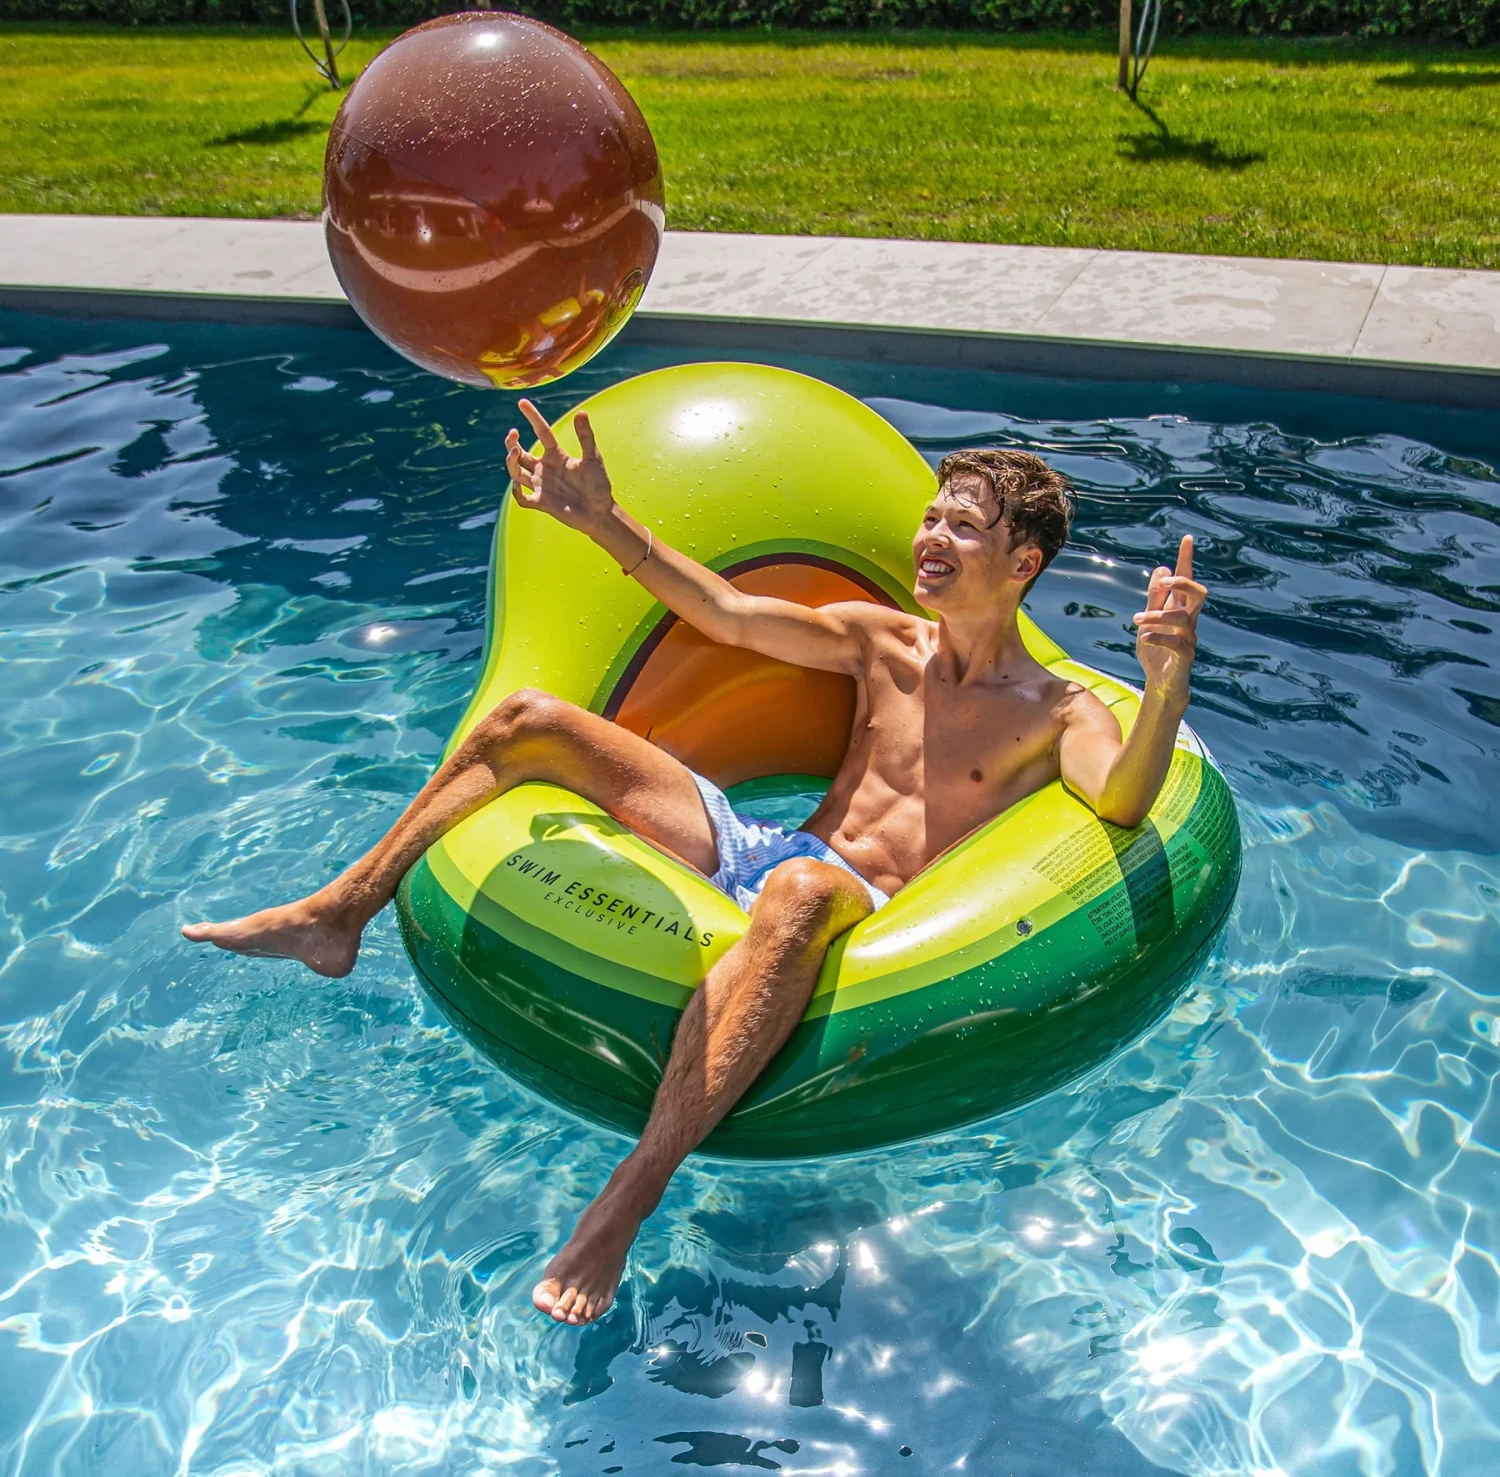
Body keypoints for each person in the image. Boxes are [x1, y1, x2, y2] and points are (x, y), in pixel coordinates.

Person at [183, 398, 1207, 1328]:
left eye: (964, 527)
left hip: (859, 903)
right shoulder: (883, 641)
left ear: (1023, 561)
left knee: (804, 890)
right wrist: (602, 522)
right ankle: (341, 912)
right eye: (932, 517)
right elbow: (725, 612)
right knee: (527, 721)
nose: (931, 538)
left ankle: (630, 1196)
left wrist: (1165, 682)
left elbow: (1120, 800)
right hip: (765, 847)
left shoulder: (1057, 710)